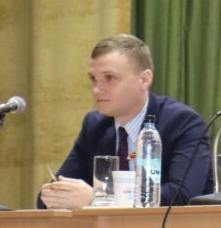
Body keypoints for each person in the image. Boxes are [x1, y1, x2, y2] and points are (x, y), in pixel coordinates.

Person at [39, 34, 210, 209]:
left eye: (109, 78)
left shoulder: (182, 122)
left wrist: (98, 199)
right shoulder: (95, 125)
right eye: (93, 79)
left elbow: (183, 195)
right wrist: (57, 194)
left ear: (144, 80)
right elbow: (46, 199)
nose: (97, 89)